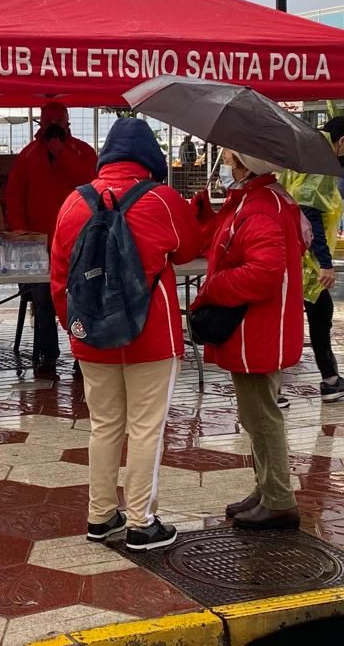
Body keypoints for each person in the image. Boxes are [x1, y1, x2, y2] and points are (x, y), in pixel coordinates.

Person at [51, 118, 201, 551]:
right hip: (151, 335)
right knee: (146, 428)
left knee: (104, 426)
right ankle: (141, 522)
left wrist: (75, 327)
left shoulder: (73, 203)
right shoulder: (163, 198)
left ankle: (100, 516)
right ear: (149, 156)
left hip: (92, 338)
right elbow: (188, 249)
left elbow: (59, 276)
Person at [192, 149, 305, 530]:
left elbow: (263, 272)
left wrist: (213, 287)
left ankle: (278, 497)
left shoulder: (260, 207)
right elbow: (222, 242)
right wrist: (206, 214)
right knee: (255, 413)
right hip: (258, 326)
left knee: (261, 414)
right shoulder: (258, 200)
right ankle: (266, 488)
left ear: (246, 164)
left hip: (257, 327)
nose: (225, 165)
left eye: (230, 159)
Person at [278, 116, 344, 406]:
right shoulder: (321, 161)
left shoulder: (305, 148)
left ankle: (327, 381)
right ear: (342, 142)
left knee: (290, 317)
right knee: (313, 316)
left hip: (290, 250)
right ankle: (325, 382)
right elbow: (310, 212)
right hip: (305, 258)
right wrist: (325, 263)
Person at [6, 102, 97, 380]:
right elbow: (14, 199)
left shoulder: (83, 151)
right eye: (50, 120)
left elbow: (90, 184)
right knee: (43, 302)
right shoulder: (28, 156)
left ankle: (84, 355)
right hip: (40, 247)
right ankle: (46, 355)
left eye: (60, 119)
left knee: (81, 300)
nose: (55, 124)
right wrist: (24, 237)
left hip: (78, 243)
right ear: (41, 124)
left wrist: (62, 153)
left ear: (68, 122)